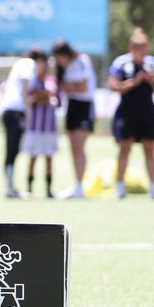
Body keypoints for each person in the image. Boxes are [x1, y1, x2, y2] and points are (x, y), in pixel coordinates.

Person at [108, 27, 154, 200]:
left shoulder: (151, 63)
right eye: (137, 47)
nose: (141, 50)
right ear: (131, 47)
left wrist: (151, 78)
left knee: (150, 149)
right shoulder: (121, 63)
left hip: (147, 112)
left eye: (144, 47)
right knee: (125, 148)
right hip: (127, 112)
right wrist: (134, 82)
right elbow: (114, 86)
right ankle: (119, 186)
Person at [51, 40, 98, 199]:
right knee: (73, 147)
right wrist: (69, 86)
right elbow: (68, 87)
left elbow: (82, 86)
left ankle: (80, 185)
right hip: (72, 105)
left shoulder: (81, 61)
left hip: (83, 106)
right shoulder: (65, 68)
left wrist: (67, 86)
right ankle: (78, 184)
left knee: (79, 146)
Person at [0, 49, 43, 199]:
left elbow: (2, 87)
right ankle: (10, 187)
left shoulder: (19, 64)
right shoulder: (28, 63)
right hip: (15, 111)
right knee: (12, 149)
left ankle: (11, 186)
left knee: (13, 149)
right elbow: (24, 85)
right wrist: (27, 110)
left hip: (10, 110)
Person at [23, 53, 60, 198]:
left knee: (49, 157)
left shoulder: (52, 82)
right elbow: (27, 99)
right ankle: (29, 188)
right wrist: (37, 97)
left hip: (49, 127)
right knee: (33, 156)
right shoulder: (31, 81)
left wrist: (47, 99)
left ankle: (49, 189)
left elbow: (56, 102)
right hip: (34, 126)